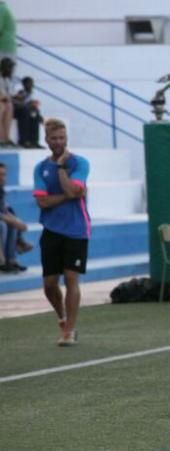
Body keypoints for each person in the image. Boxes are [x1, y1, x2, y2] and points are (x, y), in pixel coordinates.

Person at [34, 118, 91, 345]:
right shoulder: (40, 168)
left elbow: (73, 190)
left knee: (70, 278)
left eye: (62, 138)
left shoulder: (80, 163)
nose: (58, 142)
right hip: (51, 229)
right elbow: (43, 202)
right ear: (46, 140)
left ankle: (69, 330)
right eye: (54, 138)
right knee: (49, 284)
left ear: (66, 139)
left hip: (76, 229)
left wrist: (61, 170)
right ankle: (62, 317)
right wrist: (68, 194)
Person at [0, 161, 30, 272]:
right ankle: (1, 262)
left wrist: (17, 221)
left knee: (13, 224)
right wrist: (12, 220)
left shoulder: (1, 190)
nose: (3, 178)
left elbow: (4, 210)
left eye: (4, 174)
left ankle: (10, 260)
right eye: (0, 175)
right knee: (2, 225)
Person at [13, 76, 42, 148]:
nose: (31, 85)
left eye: (31, 83)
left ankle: (34, 141)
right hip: (18, 111)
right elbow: (16, 103)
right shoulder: (20, 92)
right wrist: (29, 104)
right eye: (29, 83)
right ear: (24, 84)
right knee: (26, 113)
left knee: (35, 114)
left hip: (28, 111)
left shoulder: (31, 93)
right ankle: (24, 141)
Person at [0, 57, 15, 147]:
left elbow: (10, 94)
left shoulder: (7, 80)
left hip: (4, 101)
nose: (11, 70)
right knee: (1, 107)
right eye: (9, 67)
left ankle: (6, 138)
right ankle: (1, 138)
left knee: (9, 106)